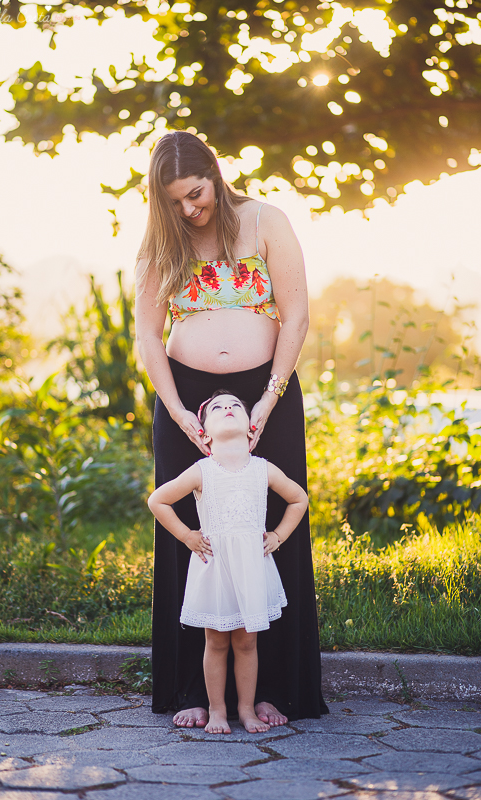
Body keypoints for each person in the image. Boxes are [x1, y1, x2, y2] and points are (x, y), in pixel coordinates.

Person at [135, 129, 328, 727]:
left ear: (215, 175)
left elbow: (295, 312)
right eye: (175, 202)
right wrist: (173, 408)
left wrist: (271, 395)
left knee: (269, 529)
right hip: (186, 401)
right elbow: (148, 335)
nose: (189, 209)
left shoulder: (266, 220)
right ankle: (194, 692)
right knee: (193, 535)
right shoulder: (157, 247)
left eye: (196, 194)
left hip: (264, 394)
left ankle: (272, 688)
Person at [147, 390, 309, 734]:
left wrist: (277, 535)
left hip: (251, 567)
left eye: (236, 405)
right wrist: (187, 536)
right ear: (203, 432)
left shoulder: (263, 470)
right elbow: (158, 500)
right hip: (215, 568)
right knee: (216, 641)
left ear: (252, 429)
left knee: (248, 641)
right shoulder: (202, 471)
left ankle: (246, 710)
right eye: (218, 408)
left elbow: (299, 498)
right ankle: (217, 710)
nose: (228, 408)